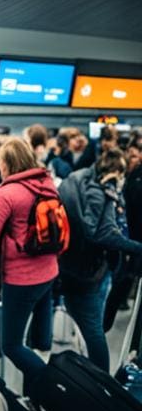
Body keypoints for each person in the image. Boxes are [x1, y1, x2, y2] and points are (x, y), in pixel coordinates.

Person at [0, 137, 60, 397]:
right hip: (49, 271)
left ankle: (57, 388)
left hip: (21, 278)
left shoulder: (8, 193)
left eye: (0, 161)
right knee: (39, 341)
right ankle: (36, 397)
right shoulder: (46, 183)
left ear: (8, 163)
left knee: (12, 345)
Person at [59, 149, 142, 371]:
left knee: (87, 321)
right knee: (93, 327)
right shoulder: (101, 193)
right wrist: (136, 247)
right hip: (91, 268)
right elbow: (100, 233)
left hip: (70, 264)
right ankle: (102, 378)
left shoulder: (78, 180)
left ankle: (94, 372)